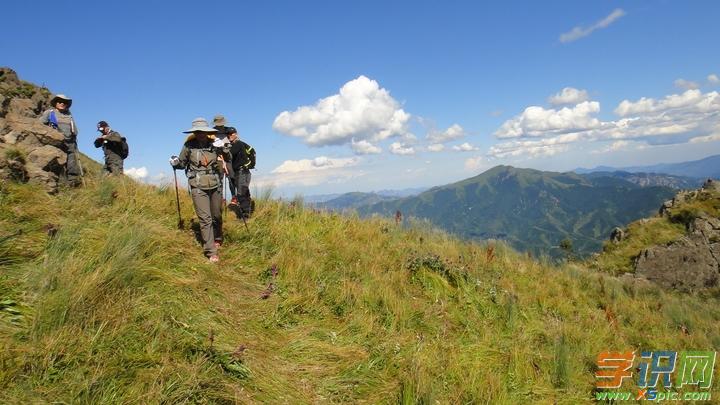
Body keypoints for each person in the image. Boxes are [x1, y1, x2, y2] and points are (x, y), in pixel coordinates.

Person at [170, 118, 230, 263]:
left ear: (207, 132)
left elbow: (228, 157)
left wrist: (223, 148)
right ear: (195, 132)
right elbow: (182, 163)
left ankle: (217, 237)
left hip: (215, 183)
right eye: (197, 131)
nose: (200, 134)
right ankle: (211, 251)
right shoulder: (188, 146)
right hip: (197, 185)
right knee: (205, 218)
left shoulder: (214, 144)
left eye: (203, 131)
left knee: (216, 214)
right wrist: (175, 162)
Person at [39, 94, 81, 186]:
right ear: (55, 103)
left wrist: (74, 136)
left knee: (72, 164)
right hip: (56, 143)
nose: (62, 103)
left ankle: (72, 184)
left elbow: (75, 129)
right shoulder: (49, 113)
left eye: (64, 102)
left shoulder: (69, 116)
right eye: (60, 101)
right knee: (57, 163)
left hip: (70, 143)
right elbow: (40, 125)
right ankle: (56, 183)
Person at [227, 127, 255, 219]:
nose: (229, 136)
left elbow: (229, 154)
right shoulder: (240, 144)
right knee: (245, 192)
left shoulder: (237, 144)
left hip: (241, 172)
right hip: (244, 172)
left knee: (241, 194)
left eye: (231, 134)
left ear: (236, 134)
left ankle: (245, 215)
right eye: (228, 134)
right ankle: (248, 213)